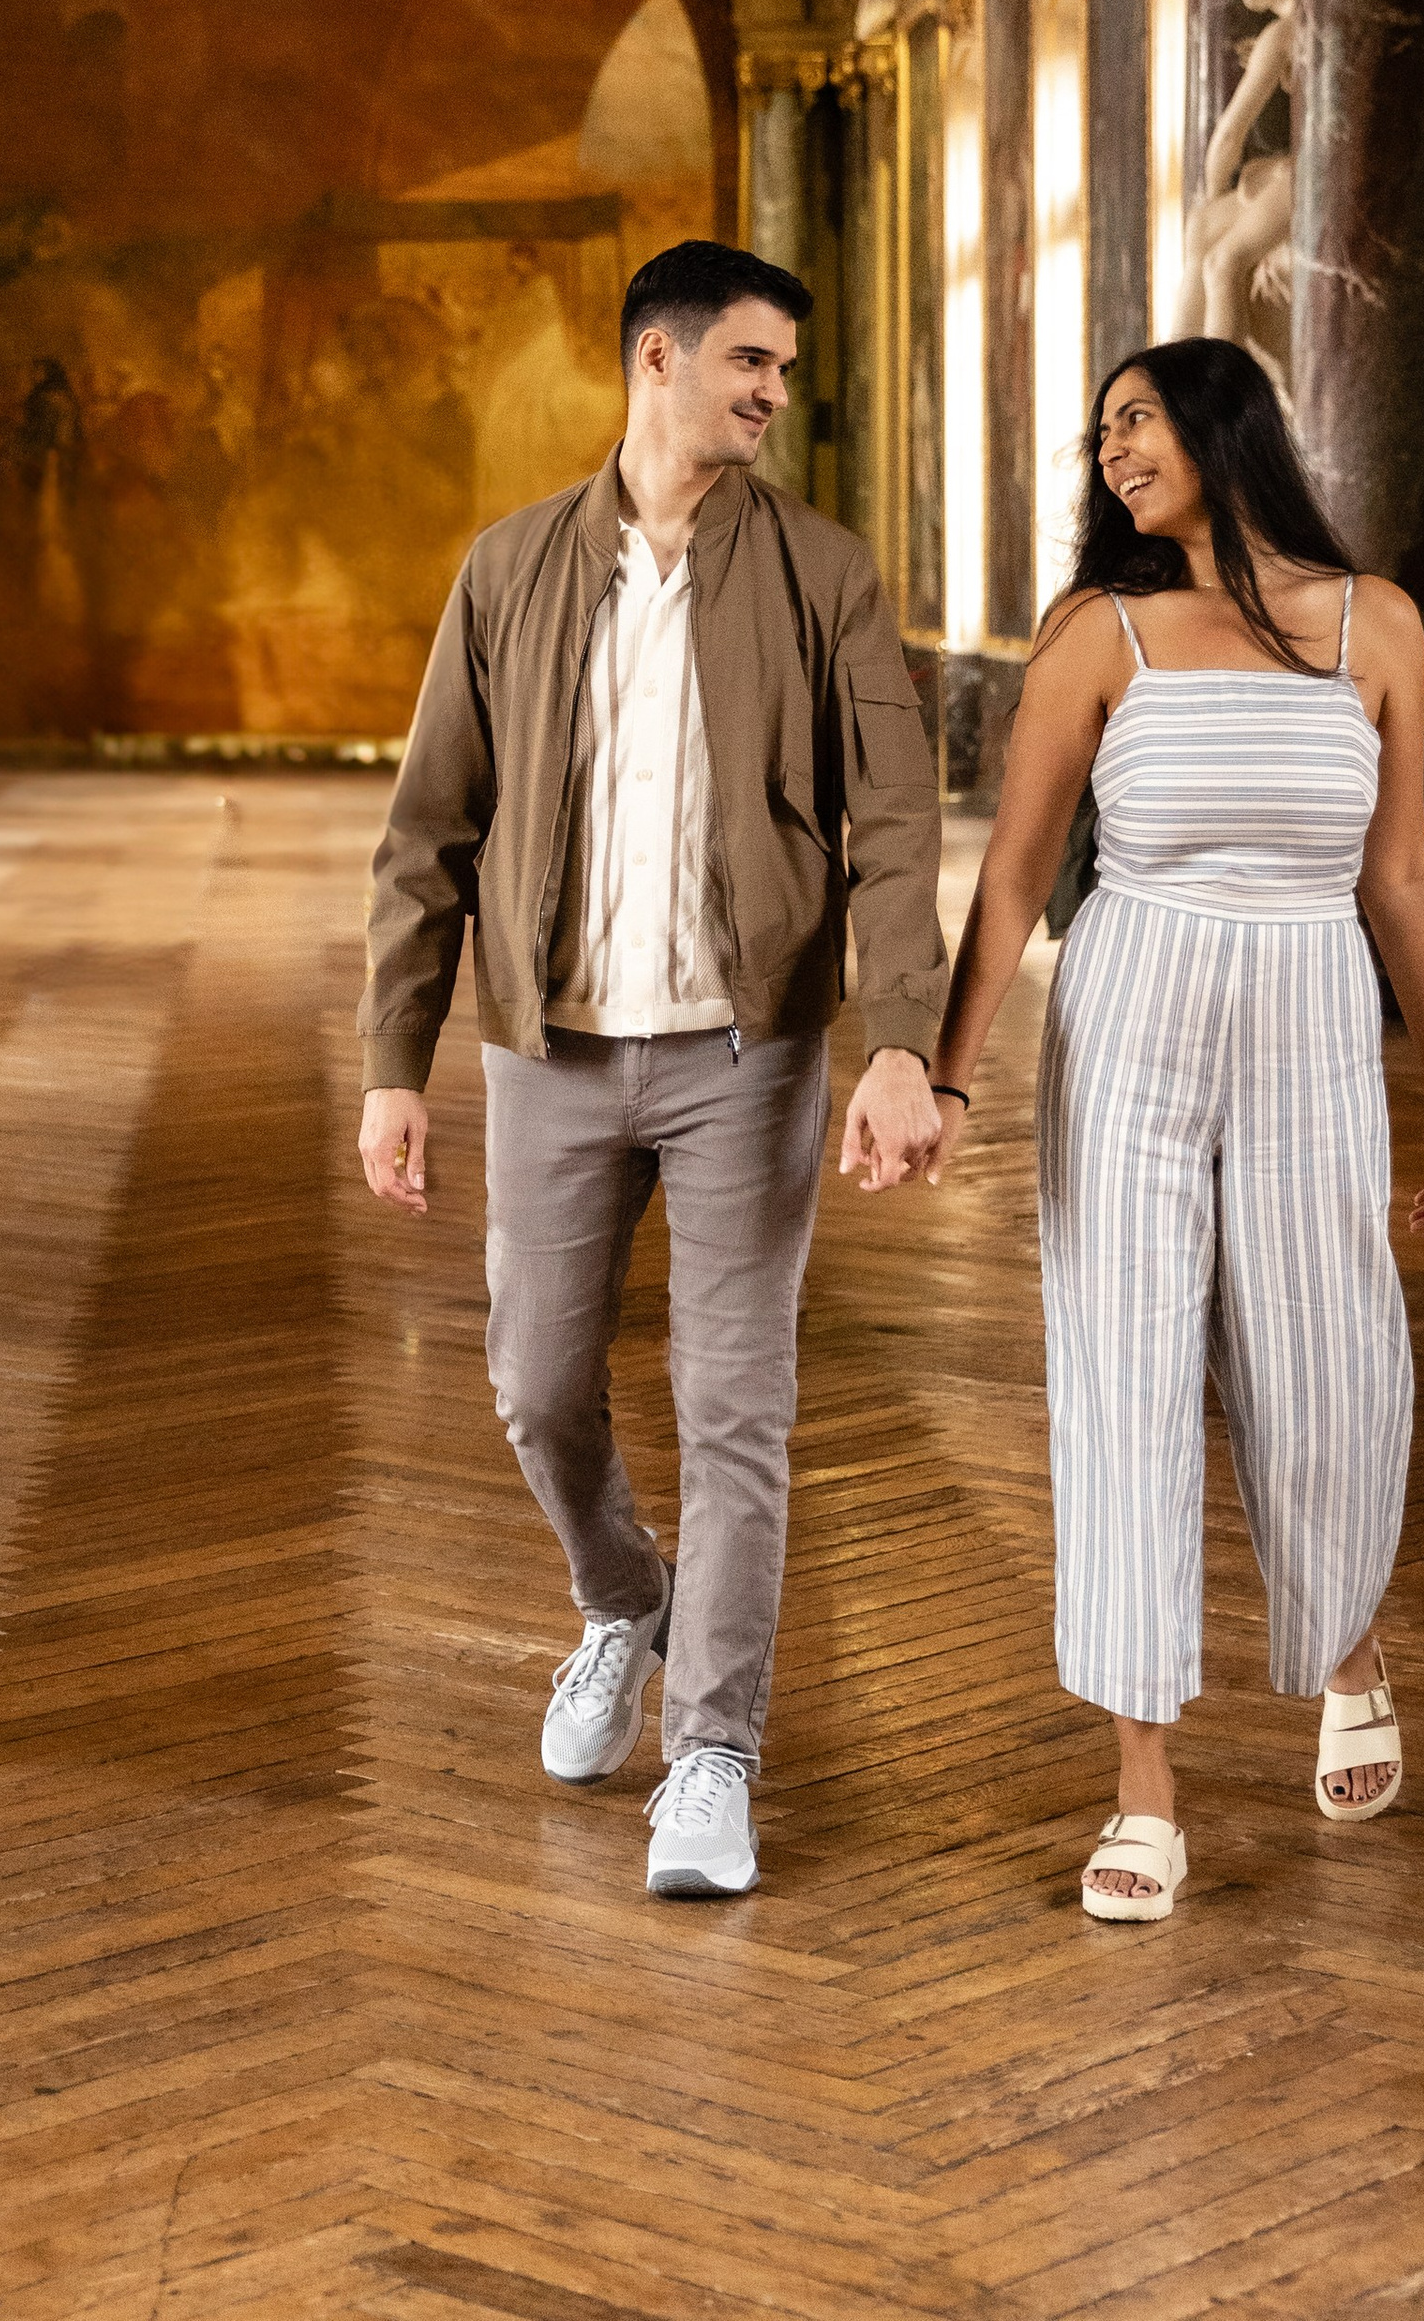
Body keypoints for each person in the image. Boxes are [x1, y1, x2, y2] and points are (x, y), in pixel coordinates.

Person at [857, 336, 1424, 1924]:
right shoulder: (1100, 632)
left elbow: (1398, 874)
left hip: (1314, 1015)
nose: (1113, 448)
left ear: (1225, 425)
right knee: (1124, 1372)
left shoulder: (1377, 626)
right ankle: (1144, 1784)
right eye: (1102, 431)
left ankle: (1346, 1638)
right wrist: (948, 1072)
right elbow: (1013, 877)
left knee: (1323, 1357)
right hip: (1133, 1008)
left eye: (1138, 419)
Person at [356, 238, 946, 1900]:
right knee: (536, 1390)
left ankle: (714, 1752)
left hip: (746, 1057)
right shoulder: (511, 569)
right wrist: (396, 1058)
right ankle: (624, 1599)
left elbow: (894, 824)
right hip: (550, 1049)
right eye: (750, 363)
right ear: (657, 363)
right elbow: (428, 835)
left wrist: (896, 1039)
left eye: (783, 372)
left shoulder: (824, 576)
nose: (772, 395)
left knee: (735, 1403)